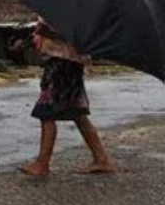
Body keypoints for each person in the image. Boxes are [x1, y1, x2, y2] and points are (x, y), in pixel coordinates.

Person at [20, 17, 115, 176]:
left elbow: (75, 37)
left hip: (63, 63)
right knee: (77, 112)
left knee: (46, 111)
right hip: (67, 62)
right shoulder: (75, 6)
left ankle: (42, 164)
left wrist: (45, 30)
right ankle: (101, 159)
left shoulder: (68, 9)